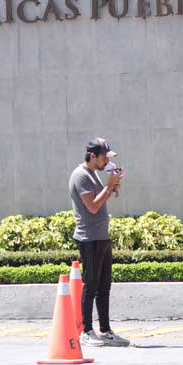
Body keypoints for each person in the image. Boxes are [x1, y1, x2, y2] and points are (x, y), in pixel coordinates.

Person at [68, 137, 128, 347]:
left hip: (101, 236)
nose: (106, 162)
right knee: (91, 284)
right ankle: (86, 330)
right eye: (105, 158)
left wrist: (111, 187)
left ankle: (105, 330)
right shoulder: (80, 176)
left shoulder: (93, 174)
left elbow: (100, 200)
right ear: (93, 156)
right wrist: (109, 186)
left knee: (104, 286)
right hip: (89, 237)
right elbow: (92, 207)